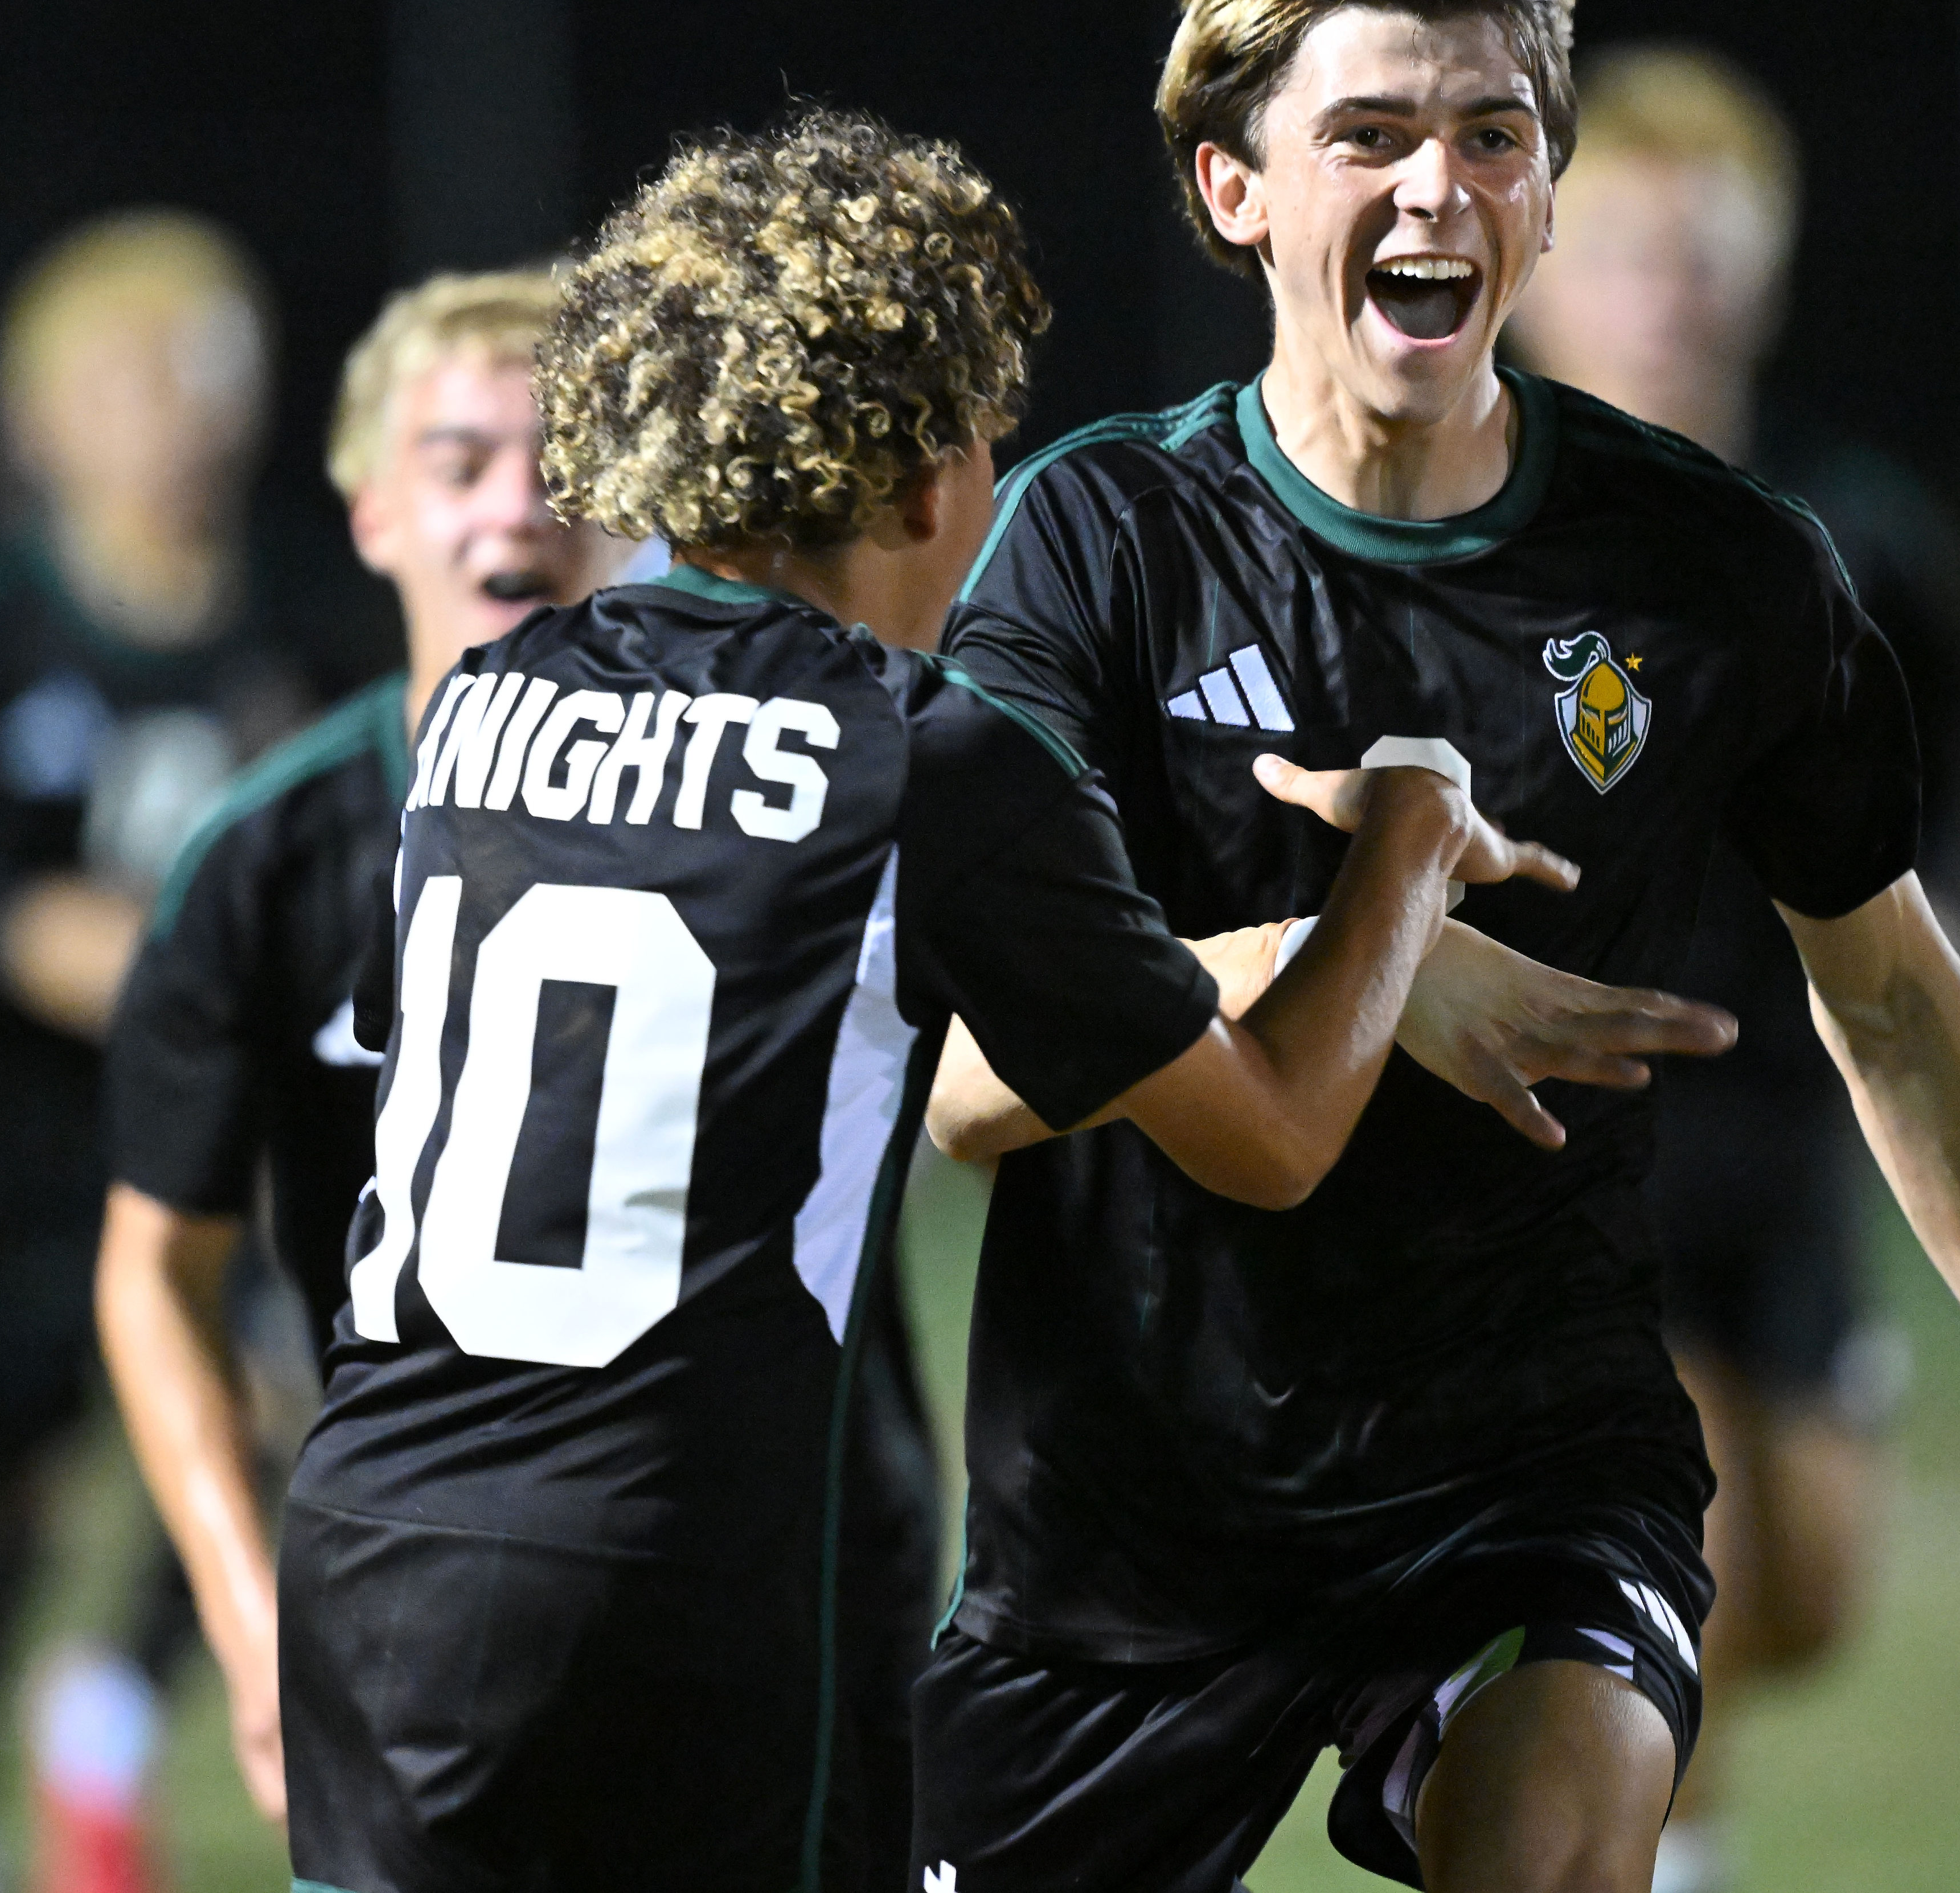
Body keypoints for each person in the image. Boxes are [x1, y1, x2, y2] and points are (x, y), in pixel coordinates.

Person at [916, 0, 1960, 1893]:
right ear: (1238, 193)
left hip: (1530, 1478)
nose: (1439, 188)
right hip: (1129, 1521)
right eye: (1372, 136)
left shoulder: (1725, 577)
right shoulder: (1097, 548)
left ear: (1545, 190)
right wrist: (1351, 960)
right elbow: (965, 1082)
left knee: (1564, 1836)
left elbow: (1887, 988)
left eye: (1493, 135)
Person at [268, 109, 1596, 1893]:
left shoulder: (486, 707)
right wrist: (1406, 853)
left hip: (372, 1539)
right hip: (679, 1577)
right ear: (925, 483)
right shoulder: (932, 762)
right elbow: (1272, 1138)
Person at [1505, 43, 1960, 1893]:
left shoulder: (1850, 538)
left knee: (1814, 1597)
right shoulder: (1484, 521)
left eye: (1707, 249)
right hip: (1582, 1147)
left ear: (1766, 274)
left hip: (1788, 1140)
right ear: (1538, 271)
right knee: (1681, 1595)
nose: (1670, 287)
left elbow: (1954, 803)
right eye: (1626, 245)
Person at [93, 269, 624, 1826]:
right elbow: (156, 1270)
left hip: (723, 1586)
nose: (515, 512)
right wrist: (250, 1624)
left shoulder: (774, 811)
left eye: (569, 466)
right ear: (372, 511)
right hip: (404, 1592)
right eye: (459, 465)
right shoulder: (268, 860)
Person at [0, 210, 300, 1893]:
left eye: (196, 371)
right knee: (5, 1492)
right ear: (36, 413)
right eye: (124, 375)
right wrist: (164, 966)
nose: (167, 411)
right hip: (15, 1166)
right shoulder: (6, 627)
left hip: (208, 1153)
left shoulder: (294, 637)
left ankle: (101, 1735)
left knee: (272, 1416)